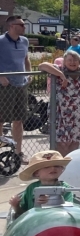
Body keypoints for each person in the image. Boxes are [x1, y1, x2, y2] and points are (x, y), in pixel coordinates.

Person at [8, 150, 74, 221]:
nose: (53, 168)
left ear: (62, 169)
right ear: (36, 173)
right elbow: (23, 213)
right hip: (34, 224)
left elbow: (69, 211)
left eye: (57, 166)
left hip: (58, 223)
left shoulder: (65, 188)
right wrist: (16, 205)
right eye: (46, 167)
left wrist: (52, 201)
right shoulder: (31, 188)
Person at [0, 15, 32, 158]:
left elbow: (26, 59)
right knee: (1, 118)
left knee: (19, 119)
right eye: (21, 24)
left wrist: (29, 74)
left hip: (21, 84)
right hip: (6, 86)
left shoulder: (24, 41)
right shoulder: (1, 41)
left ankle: (18, 153)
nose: (24, 27)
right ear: (12, 26)